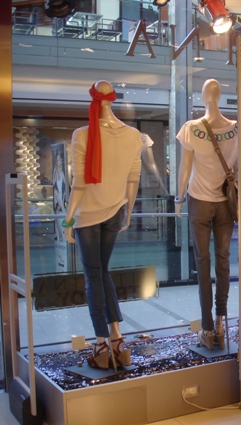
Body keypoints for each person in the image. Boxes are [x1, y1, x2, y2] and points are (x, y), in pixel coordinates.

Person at [63, 80, 143, 370]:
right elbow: (133, 178)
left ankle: (100, 344)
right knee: (103, 272)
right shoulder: (134, 135)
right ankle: (117, 339)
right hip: (116, 211)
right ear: (113, 99)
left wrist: (68, 220)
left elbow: (79, 183)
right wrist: (129, 211)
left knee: (93, 275)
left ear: (93, 99)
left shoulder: (82, 134)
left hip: (88, 215)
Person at [175, 79, 238, 350]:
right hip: (226, 203)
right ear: (220, 96)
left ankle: (207, 328)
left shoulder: (192, 128)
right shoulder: (236, 129)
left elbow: (184, 168)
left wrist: (178, 198)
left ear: (203, 96)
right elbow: (239, 169)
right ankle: (222, 323)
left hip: (199, 202)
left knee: (203, 263)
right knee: (223, 262)